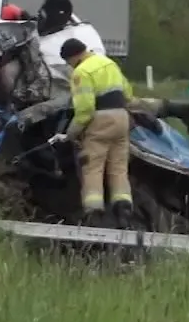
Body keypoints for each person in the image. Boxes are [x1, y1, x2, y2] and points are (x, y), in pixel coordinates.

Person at [55, 38, 135, 229]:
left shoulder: (81, 72)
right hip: (121, 118)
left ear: (72, 57)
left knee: (92, 167)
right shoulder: (108, 63)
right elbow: (129, 94)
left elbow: (85, 110)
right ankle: (123, 211)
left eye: (68, 63)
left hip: (100, 121)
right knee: (119, 168)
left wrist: (69, 134)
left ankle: (94, 215)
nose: (69, 67)